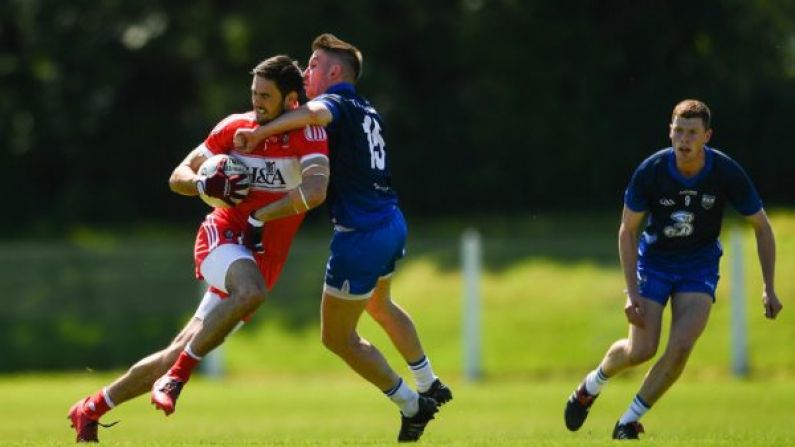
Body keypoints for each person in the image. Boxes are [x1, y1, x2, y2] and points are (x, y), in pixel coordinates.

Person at [67, 55, 330, 443]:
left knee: (177, 350)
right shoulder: (234, 127)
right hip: (222, 239)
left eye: (265, 96)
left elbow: (314, 191)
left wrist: (260, 216)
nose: (256, 102)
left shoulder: (307, 135)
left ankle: (91, 408)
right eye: (254, 93)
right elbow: (179, 175)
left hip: (262, 257)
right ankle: (177, 380)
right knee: (250, 292)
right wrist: (203, 186)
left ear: (291, 99)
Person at [234, 33, 452, 442]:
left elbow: (310, 116)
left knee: (336, 337)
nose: (304, 70)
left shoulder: (336, 103)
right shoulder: (368, 108)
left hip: (360, 235)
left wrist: (260, 134)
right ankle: (430, 382)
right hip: (391, 221)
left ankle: (412, 404)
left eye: (313, 64)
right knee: (379, 303)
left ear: (336, 73)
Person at [564, 99, 783, 440]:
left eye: (692, 133)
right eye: (678, 131)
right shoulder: (651, 171)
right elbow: (627, 230)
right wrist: (632, 293)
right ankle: (591, 385)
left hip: (699, 266)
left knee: (681, 347)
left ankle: (628, 422)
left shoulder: (725, 171)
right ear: (670, 131)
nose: (684, 139)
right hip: (655, 263)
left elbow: (762, 226)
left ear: (707, 136)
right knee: (641, 349)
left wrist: (769, 287)